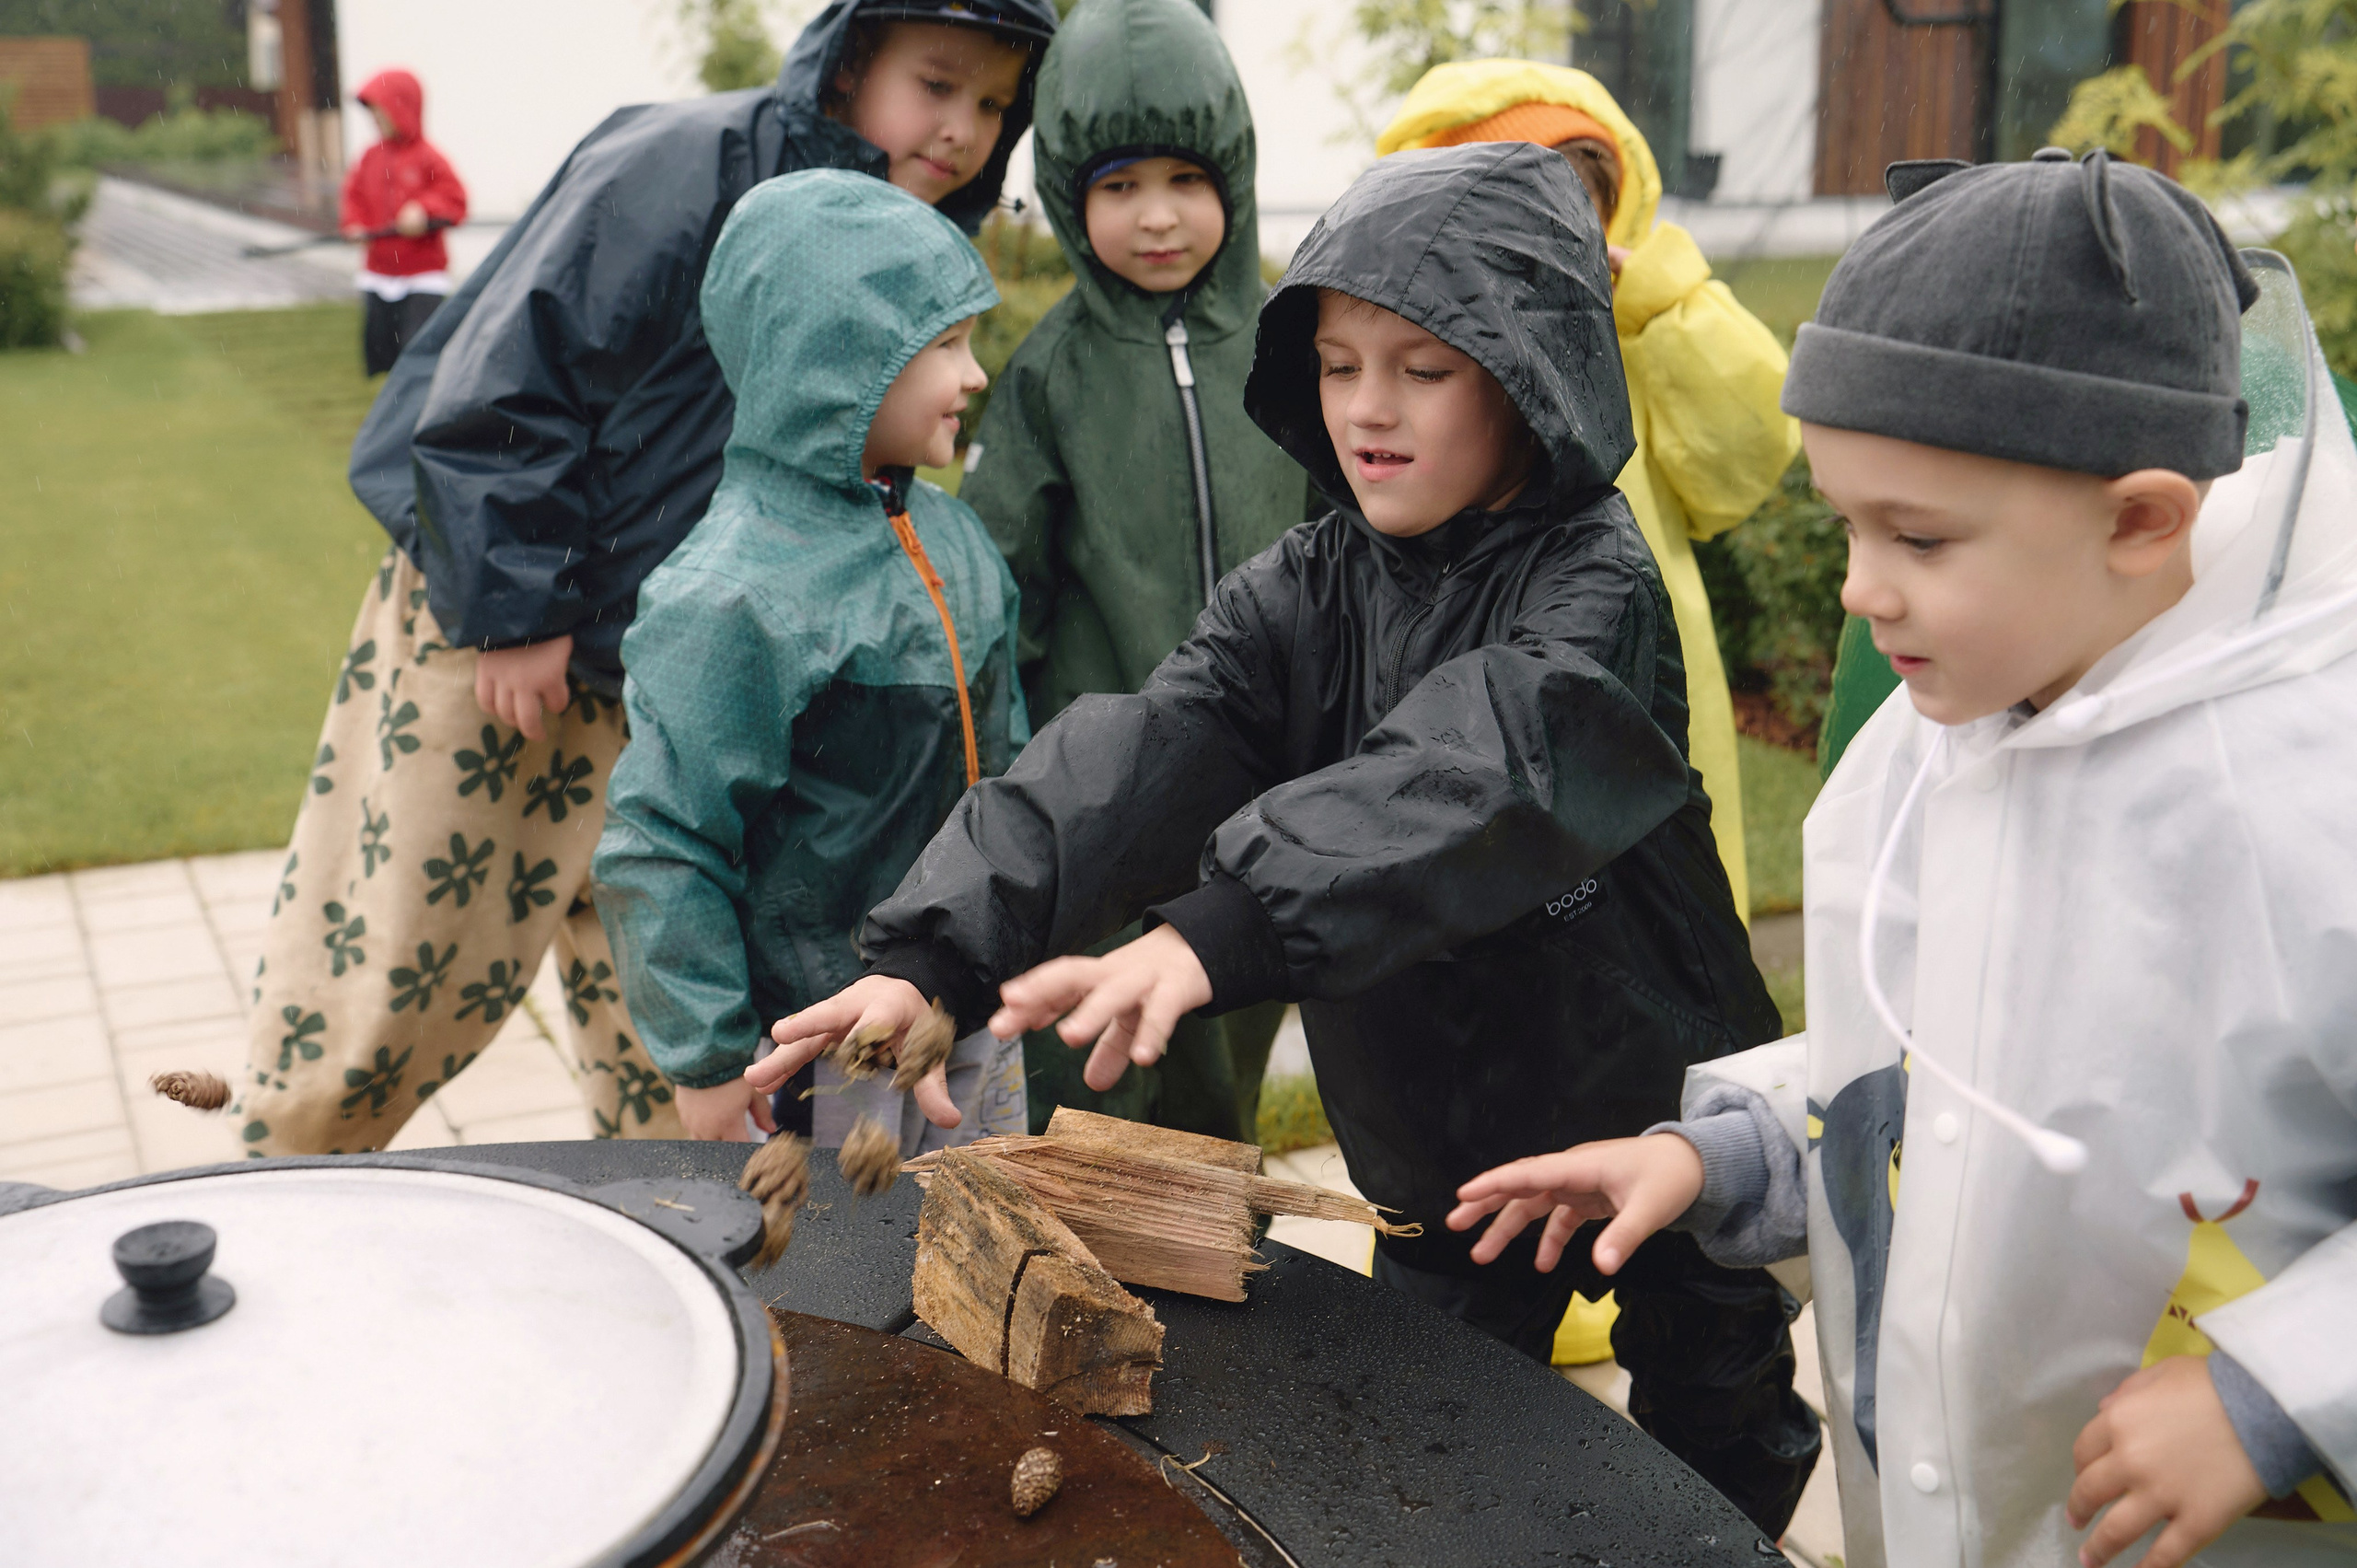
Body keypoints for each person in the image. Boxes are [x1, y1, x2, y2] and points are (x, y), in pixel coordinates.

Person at [750, 143, 1824, 1536]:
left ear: (1530, 374)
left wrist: (1221, 927)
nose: (1369, 411)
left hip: (1646, 1090)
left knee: (1718, 1412)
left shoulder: (1593, 588)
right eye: (1337, 363)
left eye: (1425, 370)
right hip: (1439, 1128)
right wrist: (932, 957)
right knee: (1442, 1439)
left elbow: (1473, 770)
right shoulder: (1309, 585)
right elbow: (1142, 750)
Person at [1451, 150, 2357, 1567]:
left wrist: (2281, 1392)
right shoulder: (1956, 723)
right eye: (1847, 523)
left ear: (2142, 517)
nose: (1864, 590)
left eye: (1917, 537)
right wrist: (1722, 1151)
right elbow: (1938, 1060)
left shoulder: (2316, 792)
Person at [229, 0, 1056, 1157]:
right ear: (853, 57)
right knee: (393, 987)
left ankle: (673, 1267)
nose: (964, 128)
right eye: (937, 83)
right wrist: (514, 609)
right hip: (511, 638)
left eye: (991, 104)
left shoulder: (898, 246)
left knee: (668, 1047)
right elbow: (504, 368)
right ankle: (272, 1201)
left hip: (704, 674)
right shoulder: (681, 161)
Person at [593, 169, 1028, 1148]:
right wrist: (708, 1058)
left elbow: (1011, 762)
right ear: (836, 360)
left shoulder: (953, 537)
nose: (975, 374)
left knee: (980, 1242)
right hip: (819, 1046)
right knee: (838, 1279)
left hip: (960, 1003)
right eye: (944, 345)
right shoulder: (731, 593)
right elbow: (662, 840)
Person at [959, 0, 1307, 1142]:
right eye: (1116, 187)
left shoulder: (1293, 348)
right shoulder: (1049, 375)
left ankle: (1221, 1278)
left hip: (1268, 789)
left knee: (1224, 1051)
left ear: (1234, 175)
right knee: (1093, 1066)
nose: (1155, 217)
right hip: (1103, 790)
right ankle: (1087, 1275)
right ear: (1068, 193)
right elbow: (1001, 589)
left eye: (1183, 179)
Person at [1378, 60, 1797, 923]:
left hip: (1644, 666)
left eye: (1576, 205)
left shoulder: (1635, 335)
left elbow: (1745, 459)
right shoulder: (1410, 354)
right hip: (1473, 662)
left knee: (1653, 896)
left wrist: (1654, 302)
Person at [341, 69, 467, 377]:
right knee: (383, 354)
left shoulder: (429, 158)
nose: (375, 120)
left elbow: (455, 201)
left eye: (379, 111)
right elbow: (353, 196)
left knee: (419, 356)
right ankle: (393, 412)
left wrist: (424, 210)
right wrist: (355, 225)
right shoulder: (370, 158)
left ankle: (416, 415)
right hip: (379, 274)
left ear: (401, 108)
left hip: (421, 276)